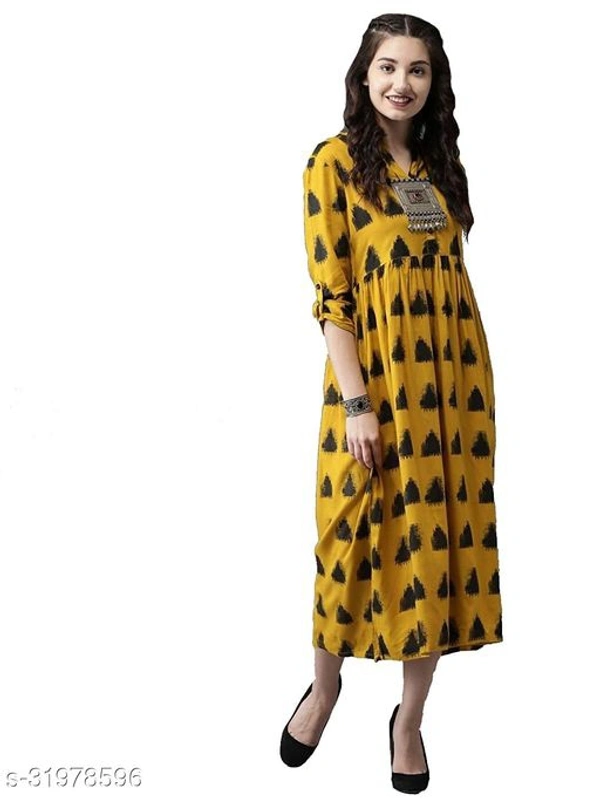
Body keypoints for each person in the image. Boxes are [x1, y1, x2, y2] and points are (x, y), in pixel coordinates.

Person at [280, 13, 503, 793]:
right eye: (388, 67)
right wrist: (357, 403)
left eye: (417, 70)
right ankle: (326, 687)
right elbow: (333, 295)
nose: (401, 83)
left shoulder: (441, 166)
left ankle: (409, 719)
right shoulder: (334, 163)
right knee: (347, 538)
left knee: (435, 553)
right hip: (372, 388)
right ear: (364, 74)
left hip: (451, 391)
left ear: (433, 83)